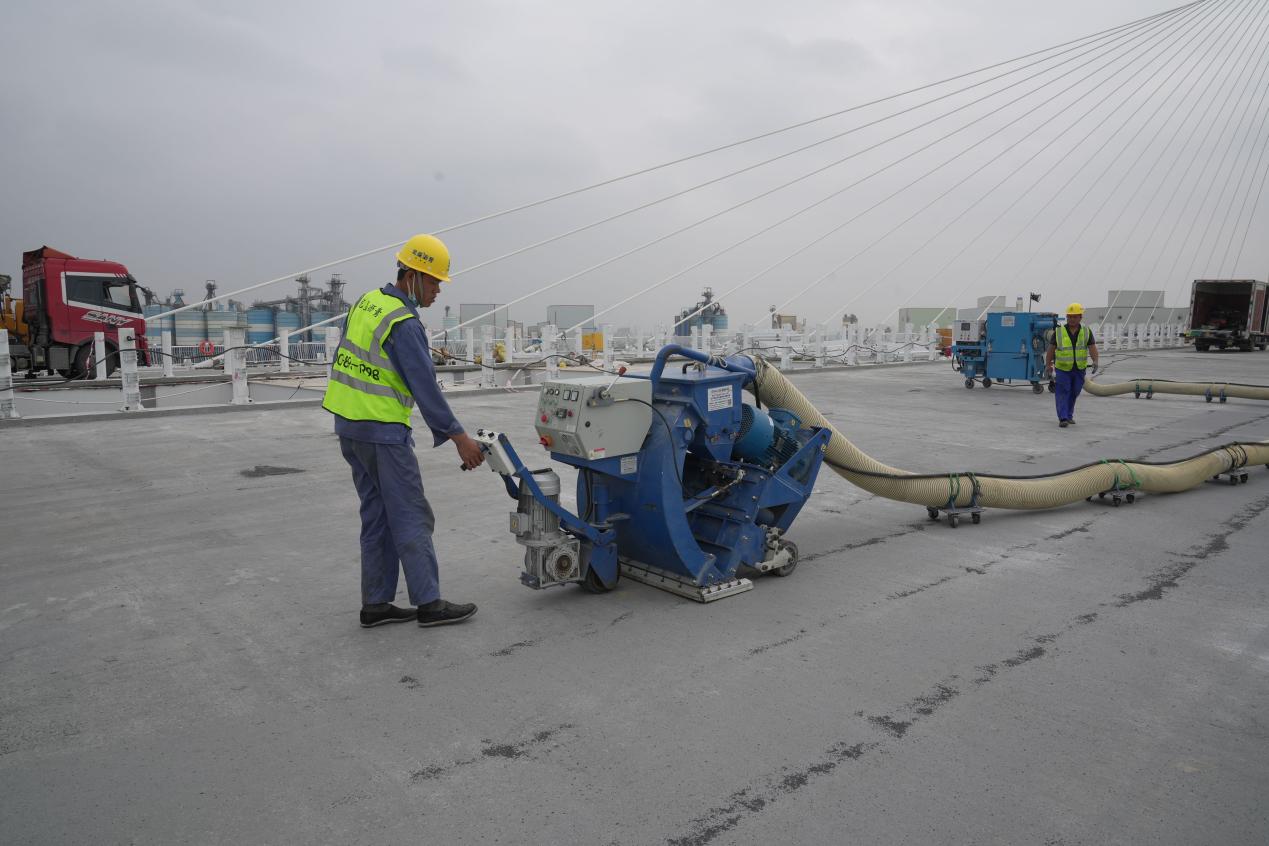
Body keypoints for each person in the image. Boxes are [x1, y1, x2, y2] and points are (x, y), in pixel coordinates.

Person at [322, 233, 486, 628]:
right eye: (432, 282)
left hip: (349, 427)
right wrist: (458, 437)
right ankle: (429, 603)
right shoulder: (404, 323)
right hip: (383, 432)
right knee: (411, 514)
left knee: (376, 516)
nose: (435, 292)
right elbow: (424, 387)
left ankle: (376, 605)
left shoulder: (366, 302)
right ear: (411, 275)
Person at [1044, 302, 1099, 428]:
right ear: (1067, 317)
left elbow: (1092, 347)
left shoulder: (1086, 331)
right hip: (1063, 369)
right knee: (1063, 391)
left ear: (1080, 317)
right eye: (1070, 316)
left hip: (1079, 369)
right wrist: (1048, 365)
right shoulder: (1058, 332)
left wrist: (1095, 361)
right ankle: (1063, 417)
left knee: (1075, 391)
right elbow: (1051, 350)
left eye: (1075, 317)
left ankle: (1069, 415)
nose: (1072, 319)